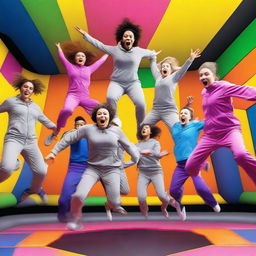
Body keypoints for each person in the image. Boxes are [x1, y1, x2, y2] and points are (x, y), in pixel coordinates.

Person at [45, 103, 139, 230]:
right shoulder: (87, 129)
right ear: (95, 117)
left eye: (105, 114)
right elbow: (68, 139)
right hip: (93, 169)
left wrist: (135, 158)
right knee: (78, 196)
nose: (102, 115)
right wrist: (53, 152)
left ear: (109, 117)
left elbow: (128, 145)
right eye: (99, 113)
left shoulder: (117, 131)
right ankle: (75, 220)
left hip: (112, 170)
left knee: (115, 202)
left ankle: (114, 204)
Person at [75, 19, 158, 130]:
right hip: (117, 82)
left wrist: (154, 56)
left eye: (130, 36)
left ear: (134, 39)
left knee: (141, 104)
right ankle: (115, 120)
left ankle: (141, 127)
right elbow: (100, 45)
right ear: (122, 39)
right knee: (110, 97)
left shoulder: (139, 51)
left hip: (133, 83)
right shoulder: (115, 50)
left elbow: (152, 54)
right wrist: (85, 35)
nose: (128, 38)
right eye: (125, 36)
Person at [185, 62, 256, 186]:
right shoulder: (204, 92)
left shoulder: (223, 86)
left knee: (241, 155)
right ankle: (199, 174)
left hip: (229, 131)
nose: (203, 77)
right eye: (200, 75)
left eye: (206, 74)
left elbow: (245, 91)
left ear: (214, 75)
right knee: (190, 166)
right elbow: (211, 113)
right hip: (211, 135)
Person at [0, 74, 56, 202]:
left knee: (41, 171)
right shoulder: (11, 102)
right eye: (25, 87)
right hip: (14, 139)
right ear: (20, 87)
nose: (27, 90)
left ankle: (32, 190)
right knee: (7, 168)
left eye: (30, 88)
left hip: (31, 142)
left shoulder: (35, 107)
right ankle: (11, 164)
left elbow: (44, 119)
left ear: (33, 91)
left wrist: (54, 127)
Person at [45, 42, 108, 146]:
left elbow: (100, 62)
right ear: (75, 59)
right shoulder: (70, 67)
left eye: (82, 56)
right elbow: (62, 58)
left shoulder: (89, 69)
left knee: (99, 107)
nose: (80, 57)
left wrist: (108, 53)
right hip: (73, 96)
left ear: (85, 59)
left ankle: (104, 129)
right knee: (67, 110)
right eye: (78, 56)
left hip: (85, 98)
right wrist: (59, 48)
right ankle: (56, 131)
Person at [170, 96, 220, 221]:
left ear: (190, 117)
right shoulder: (176, 126)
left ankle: (213, 203)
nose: (182, 114)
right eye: (181, 113)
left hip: (193, 162)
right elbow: (176, 111)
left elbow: (210, 121)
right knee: (173, 190)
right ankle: (179, 204)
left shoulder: (195, 125)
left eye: (185, 113)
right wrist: (187, 105)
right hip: (181, 165)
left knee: (200, 188)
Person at [125, 124, 182, 219]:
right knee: (141, 198)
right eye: (143, 128)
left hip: (156, 172)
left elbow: (157, 155)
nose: (144, 129)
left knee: (162, 197)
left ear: (150, 132)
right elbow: (132, 155)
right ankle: (145, 212)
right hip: (143, 173)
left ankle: (164, 207)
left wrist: (151, 152)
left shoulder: (155, 143)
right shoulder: (137, 145)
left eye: (147, 128)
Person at [141, 49, 201, 135]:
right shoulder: (158, 77)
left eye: (167, 66)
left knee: (178, 132)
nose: (164, 67)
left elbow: (183, 69)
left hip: (169, 110)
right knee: (142, 128)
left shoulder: (174, 77)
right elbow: (153, 66)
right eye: (163, 66)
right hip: (155, 110)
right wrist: (153, 57)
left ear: (171, 70)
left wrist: (190, 59)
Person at [57, 116, 88, 223]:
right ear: (75, 126)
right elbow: (63, 140)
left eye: (82, 124)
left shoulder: (90, 136)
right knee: (63, 200)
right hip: (74, 168)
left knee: (78, 197)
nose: (79, 126)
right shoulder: (72, 135)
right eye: (77, 124)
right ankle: (62, 215)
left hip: (89, 169)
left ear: (86, 126)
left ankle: (74, 216)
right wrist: (70, 132)